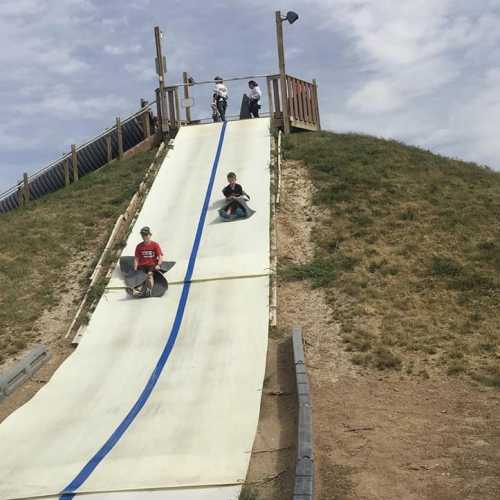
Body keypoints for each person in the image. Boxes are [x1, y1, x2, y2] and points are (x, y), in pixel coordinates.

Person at [133, 226, 163, 297]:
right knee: (140, 276)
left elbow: (160, 256)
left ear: (150, 235)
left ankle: (149, 290)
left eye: (146, 235)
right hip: (142, 265)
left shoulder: (155, 245)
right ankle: (138, 290)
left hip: (152, 265)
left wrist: (159, 264)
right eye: (143, 235)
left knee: (149, 275)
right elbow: (136, 258)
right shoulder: (139, 246)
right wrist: (135, 268)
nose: (145, 237)